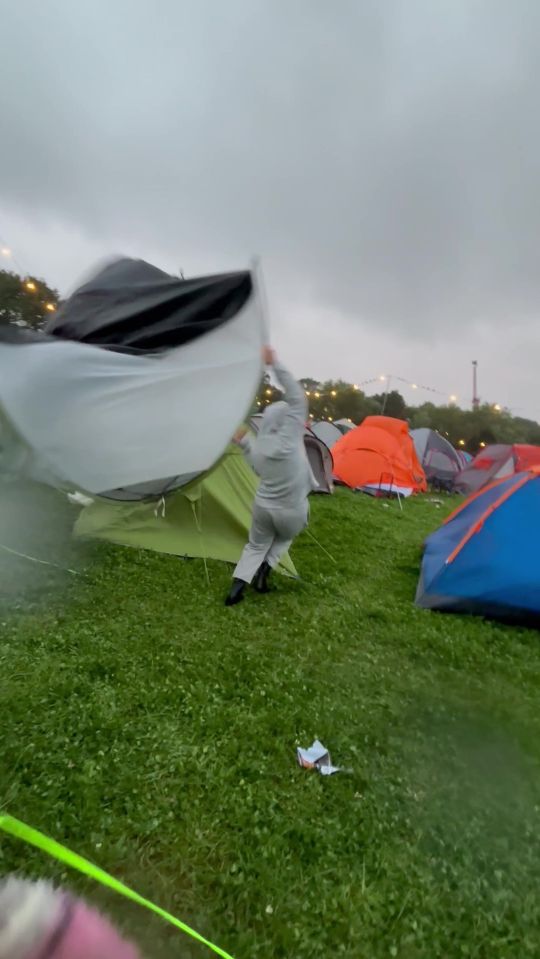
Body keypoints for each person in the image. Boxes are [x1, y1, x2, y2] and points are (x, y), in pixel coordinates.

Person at [225, 346, 317, 606]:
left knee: (255, 545)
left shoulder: (260, 446)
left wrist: (242, 442)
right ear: (286, 420)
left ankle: (236, 588)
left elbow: (254, 465)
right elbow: (298, 398)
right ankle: (266, 571)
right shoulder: (289, 439)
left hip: (263, 507)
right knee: (285, 537)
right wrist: (275, 364)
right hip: (292, 511)